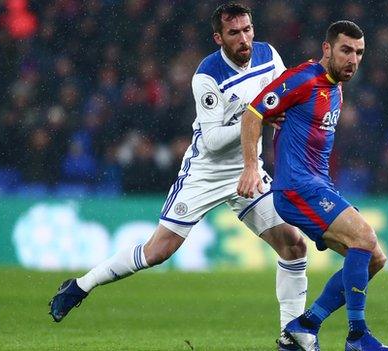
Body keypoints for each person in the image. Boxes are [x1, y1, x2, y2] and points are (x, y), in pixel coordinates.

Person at [49, 4, 308, 350]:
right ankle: (80, 285)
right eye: (234, 33)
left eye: (247, 29)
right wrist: (257, 116)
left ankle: (290, 337)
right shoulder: (207, 75)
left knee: (293, 245)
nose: (244, 38)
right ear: (218, 37)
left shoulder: (268, 55)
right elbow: (214, 140)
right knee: (158, 251)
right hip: (205, 172)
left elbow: (286, 96)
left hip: (248, 169)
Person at [238, 20, 388, 351]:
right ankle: (357, 336)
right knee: (364, 238)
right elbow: (253, 114)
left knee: (374, 259)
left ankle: (305, 325)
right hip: (296, 188)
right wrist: (251, 168)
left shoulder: (335, 88)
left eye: (360, 53)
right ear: (327, 49)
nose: (353, 59)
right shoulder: (302, 79)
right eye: (346, 50)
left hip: (318, 186)